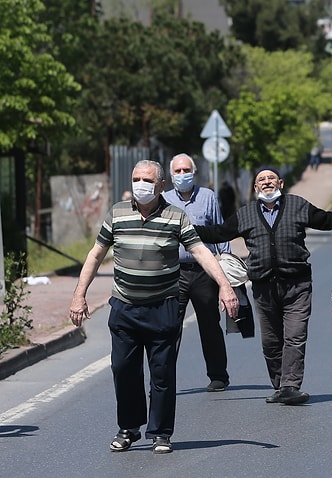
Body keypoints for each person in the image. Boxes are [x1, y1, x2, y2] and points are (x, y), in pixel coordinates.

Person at [69, 160, 239, 454]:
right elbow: (96, 254)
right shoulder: (117, 213)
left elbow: (200, 251)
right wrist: (79, 295)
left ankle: (160, 432)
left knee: (162, 372)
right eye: (136, 178)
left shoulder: (176, 216)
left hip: (163, 307)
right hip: (124, 307)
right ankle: (129, 427)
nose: (140, 184)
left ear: (162, 185)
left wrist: (225, 285)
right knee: (123, 369)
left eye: (147, 179)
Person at [195, 166, 332, 405]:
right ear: (255, 188)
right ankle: (279, 385)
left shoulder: (297, 205)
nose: (266, 182)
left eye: (271, 178)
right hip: (263, 288)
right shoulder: (245, 214)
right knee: (271, 342)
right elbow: (218, 233)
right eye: (261, 179)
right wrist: (183, 229)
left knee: (295, 337)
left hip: (297, 285)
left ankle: (290, 385)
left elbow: (327, 220)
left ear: (281, 183)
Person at [162, 153, 232, 392]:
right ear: (171, 176)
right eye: (178, 171)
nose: (182, 175)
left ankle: (218, 375)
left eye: (186, 170)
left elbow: (219, 230)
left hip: (204, 272)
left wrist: (226, 269)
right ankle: (164, 379)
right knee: (169, 327)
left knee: (210, 325)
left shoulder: (208, 196)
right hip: (174, 273)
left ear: (194, 172)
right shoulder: (163, 199)